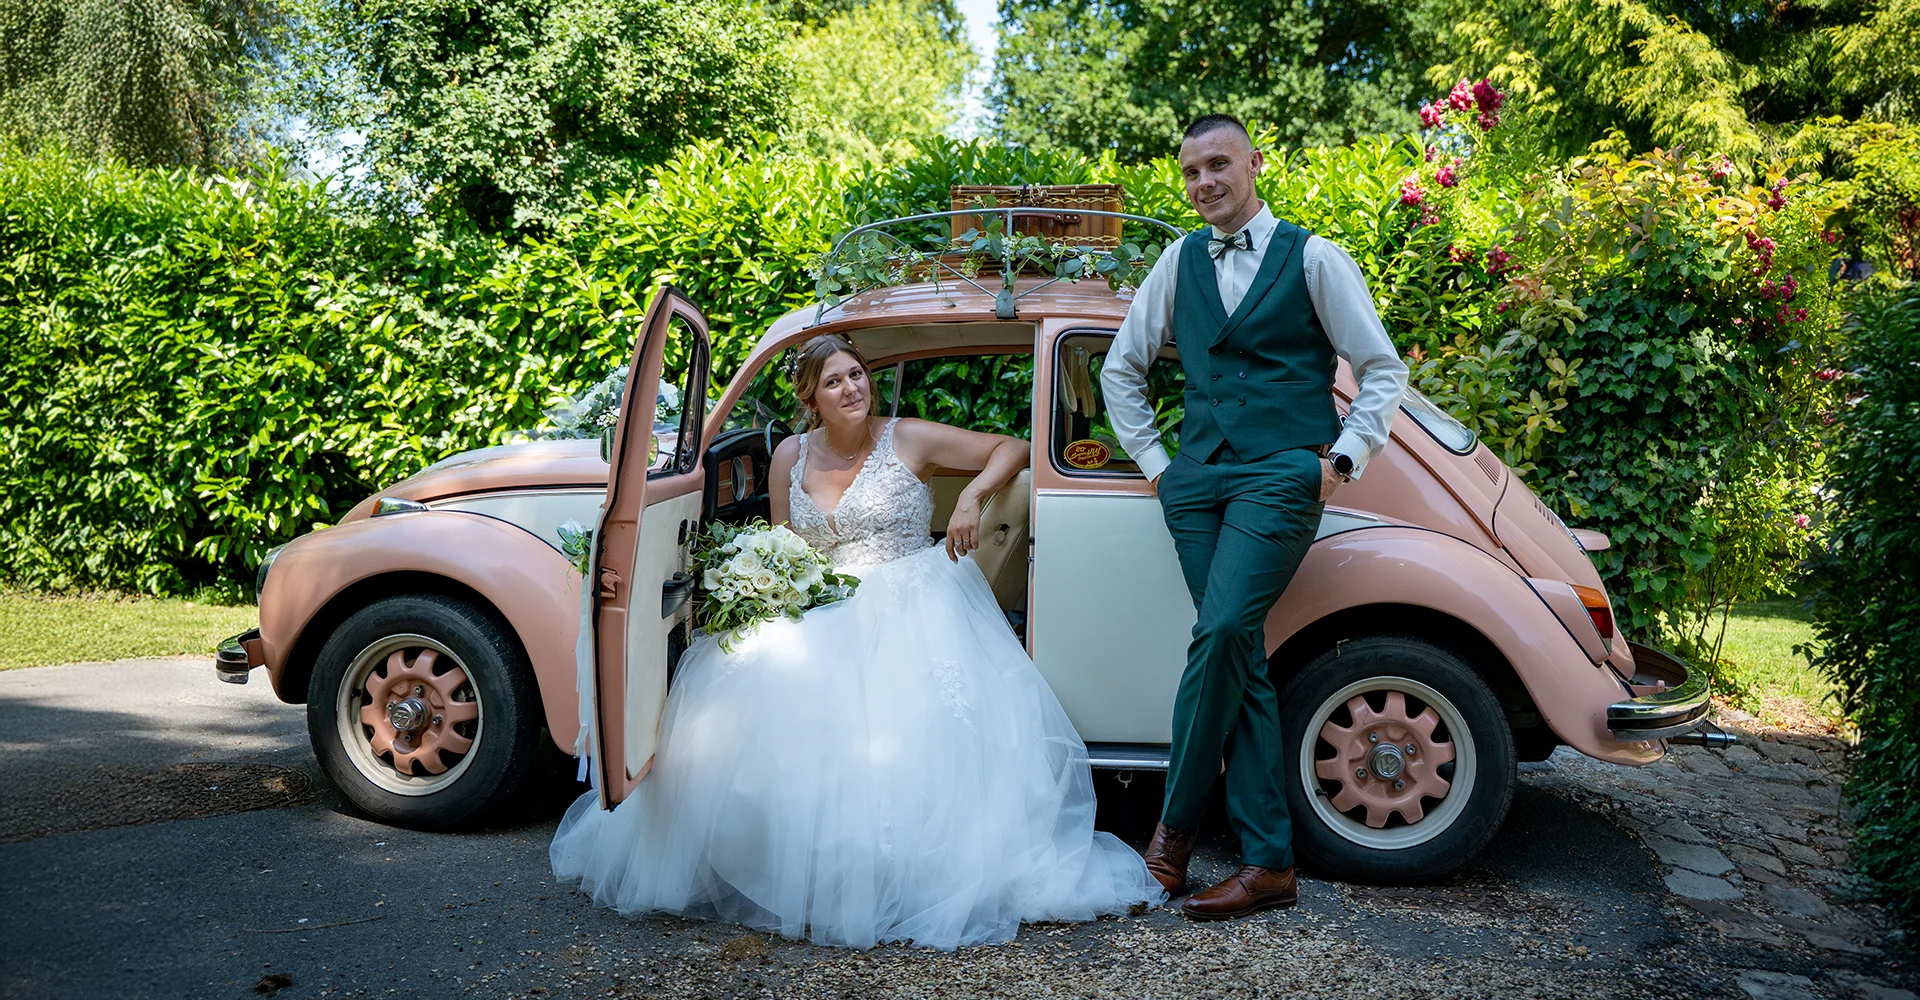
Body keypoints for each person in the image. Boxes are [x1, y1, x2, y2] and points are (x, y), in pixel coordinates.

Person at [550, 333, 1162, 950]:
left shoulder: (909, 438)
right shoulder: (790, 454)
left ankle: (904, 874)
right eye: (836, 380)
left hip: (914, 599)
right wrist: (765, 587)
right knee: (735, 698)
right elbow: (786, 543)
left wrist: (973, 495)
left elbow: (1015, 446)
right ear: (811, 396)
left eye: (858, 375)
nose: (853, 388)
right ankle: (785, 863)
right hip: (824, 602)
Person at [1099, 114, 1410, 920]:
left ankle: (1171, 839)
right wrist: (1161, 469)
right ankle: (1269, 864)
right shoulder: (1176, 262)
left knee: (1221, 631)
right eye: (1191, 172)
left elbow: (1381, 368)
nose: (1205, 183)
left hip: (1282, 472)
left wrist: (1340, 460)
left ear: (1254, 164)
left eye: (1218, 165)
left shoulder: (1314, 256)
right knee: (1242, 653)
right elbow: (1120, 370)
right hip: (1196, 479)